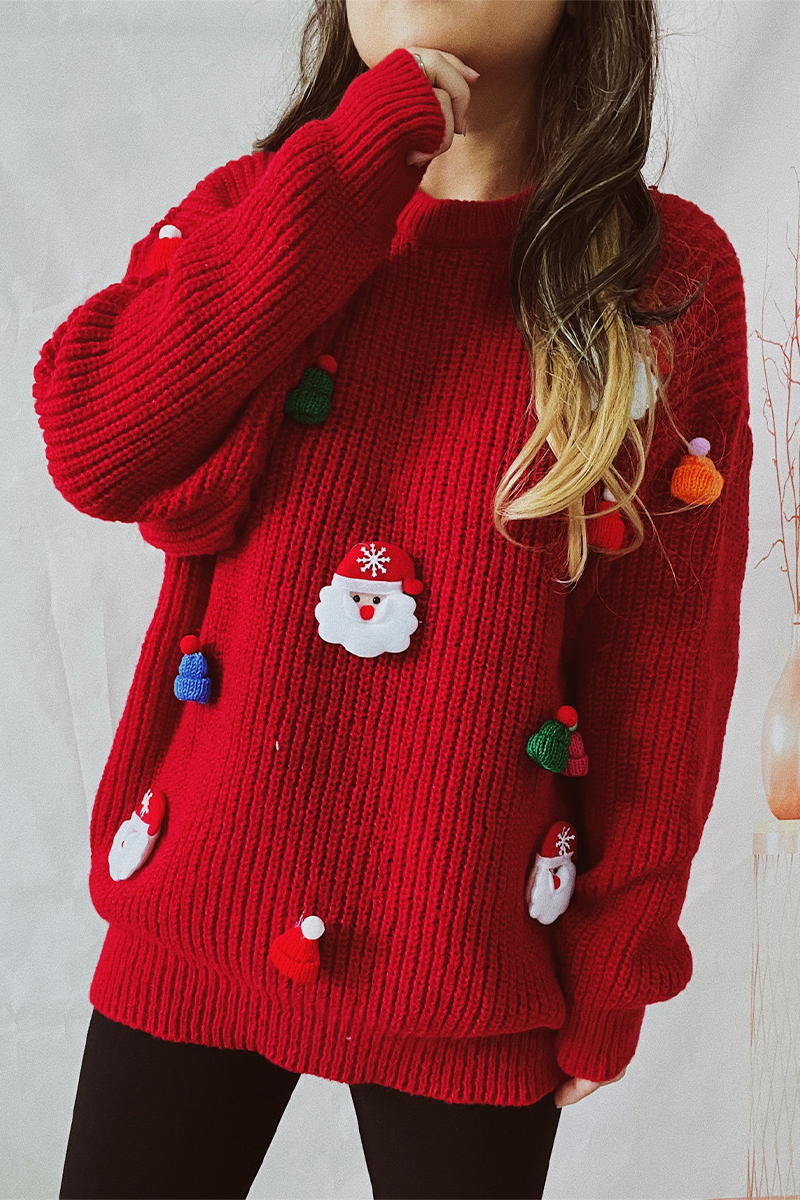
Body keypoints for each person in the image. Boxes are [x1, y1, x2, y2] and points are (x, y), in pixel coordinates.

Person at [33, 0, 752, 1196]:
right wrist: (351, 172)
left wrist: (617, 951)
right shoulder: (259, 209)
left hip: (470, 953)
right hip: (195, 910)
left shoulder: (658, 274)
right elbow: (99, 447)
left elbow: (663, 660)